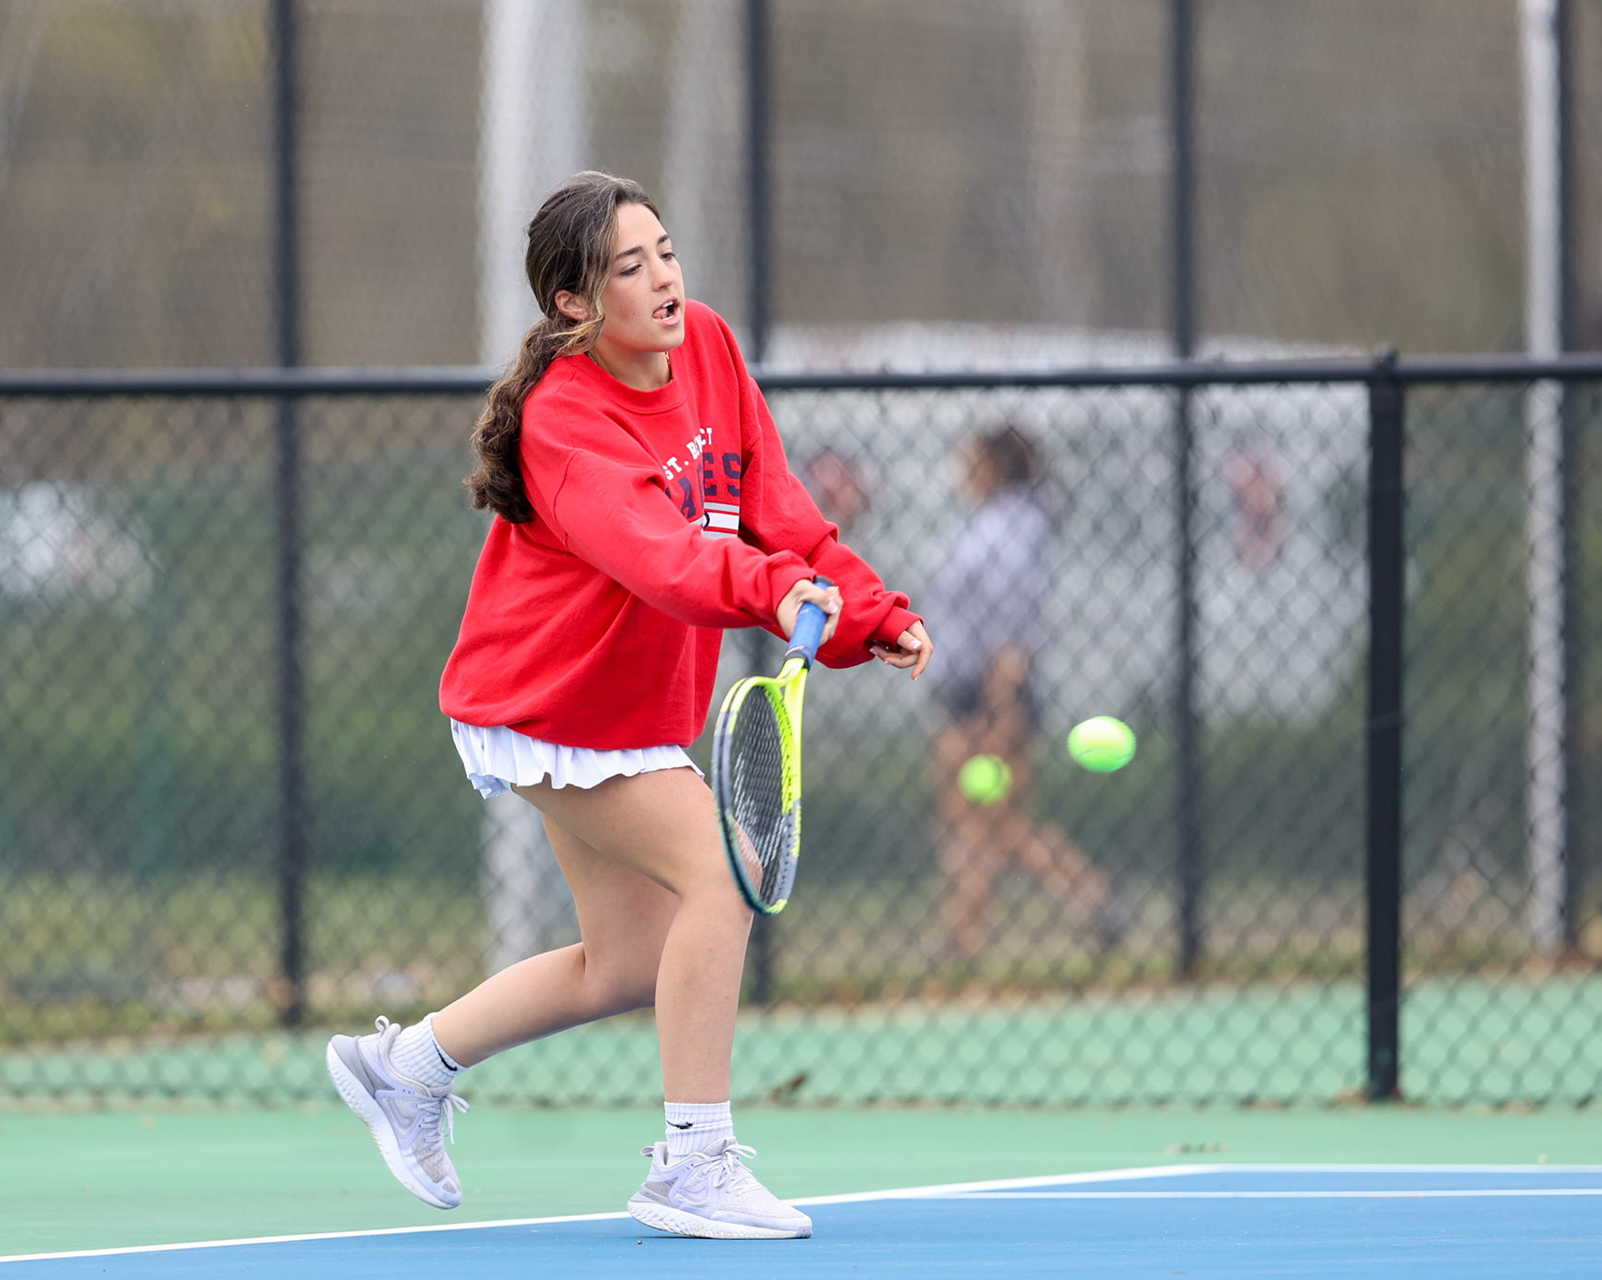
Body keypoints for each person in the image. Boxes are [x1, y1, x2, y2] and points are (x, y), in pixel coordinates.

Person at [326, 171, 932, 1241]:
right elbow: (664, 558)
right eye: (629, 265)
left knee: (632, 963)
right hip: (546, 704)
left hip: (625, 713)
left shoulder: (706, 346)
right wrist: (770, 588)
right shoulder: (566, 421)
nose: (663, 277)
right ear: (574, 303)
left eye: (665, 250)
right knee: (721, 878)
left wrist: (868, 613)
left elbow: (775, 511)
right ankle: (692, 1161)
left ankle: (402, 1064)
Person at [922, 425, 1113, 957]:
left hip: (983, 696)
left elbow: (1011, 626)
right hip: (970, 693)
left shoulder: (1005, 530)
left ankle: (966, 939)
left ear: (994, 466)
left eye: (972, 457)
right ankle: (1084, 900)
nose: (962, 467)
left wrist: (1001, 706)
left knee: (977, 820)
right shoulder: (996, 523)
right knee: (989, 822)